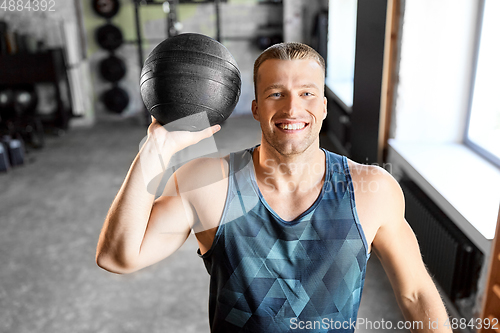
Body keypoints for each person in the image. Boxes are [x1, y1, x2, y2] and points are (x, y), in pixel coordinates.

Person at [96, 42, 452, 332]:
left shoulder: (371, 189)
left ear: (325, 107)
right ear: (255, 107)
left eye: (307, 94)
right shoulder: (208, 184)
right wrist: (154, 153)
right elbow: (117, 257)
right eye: (276, 94)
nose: (293, 108)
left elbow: (416, 294)